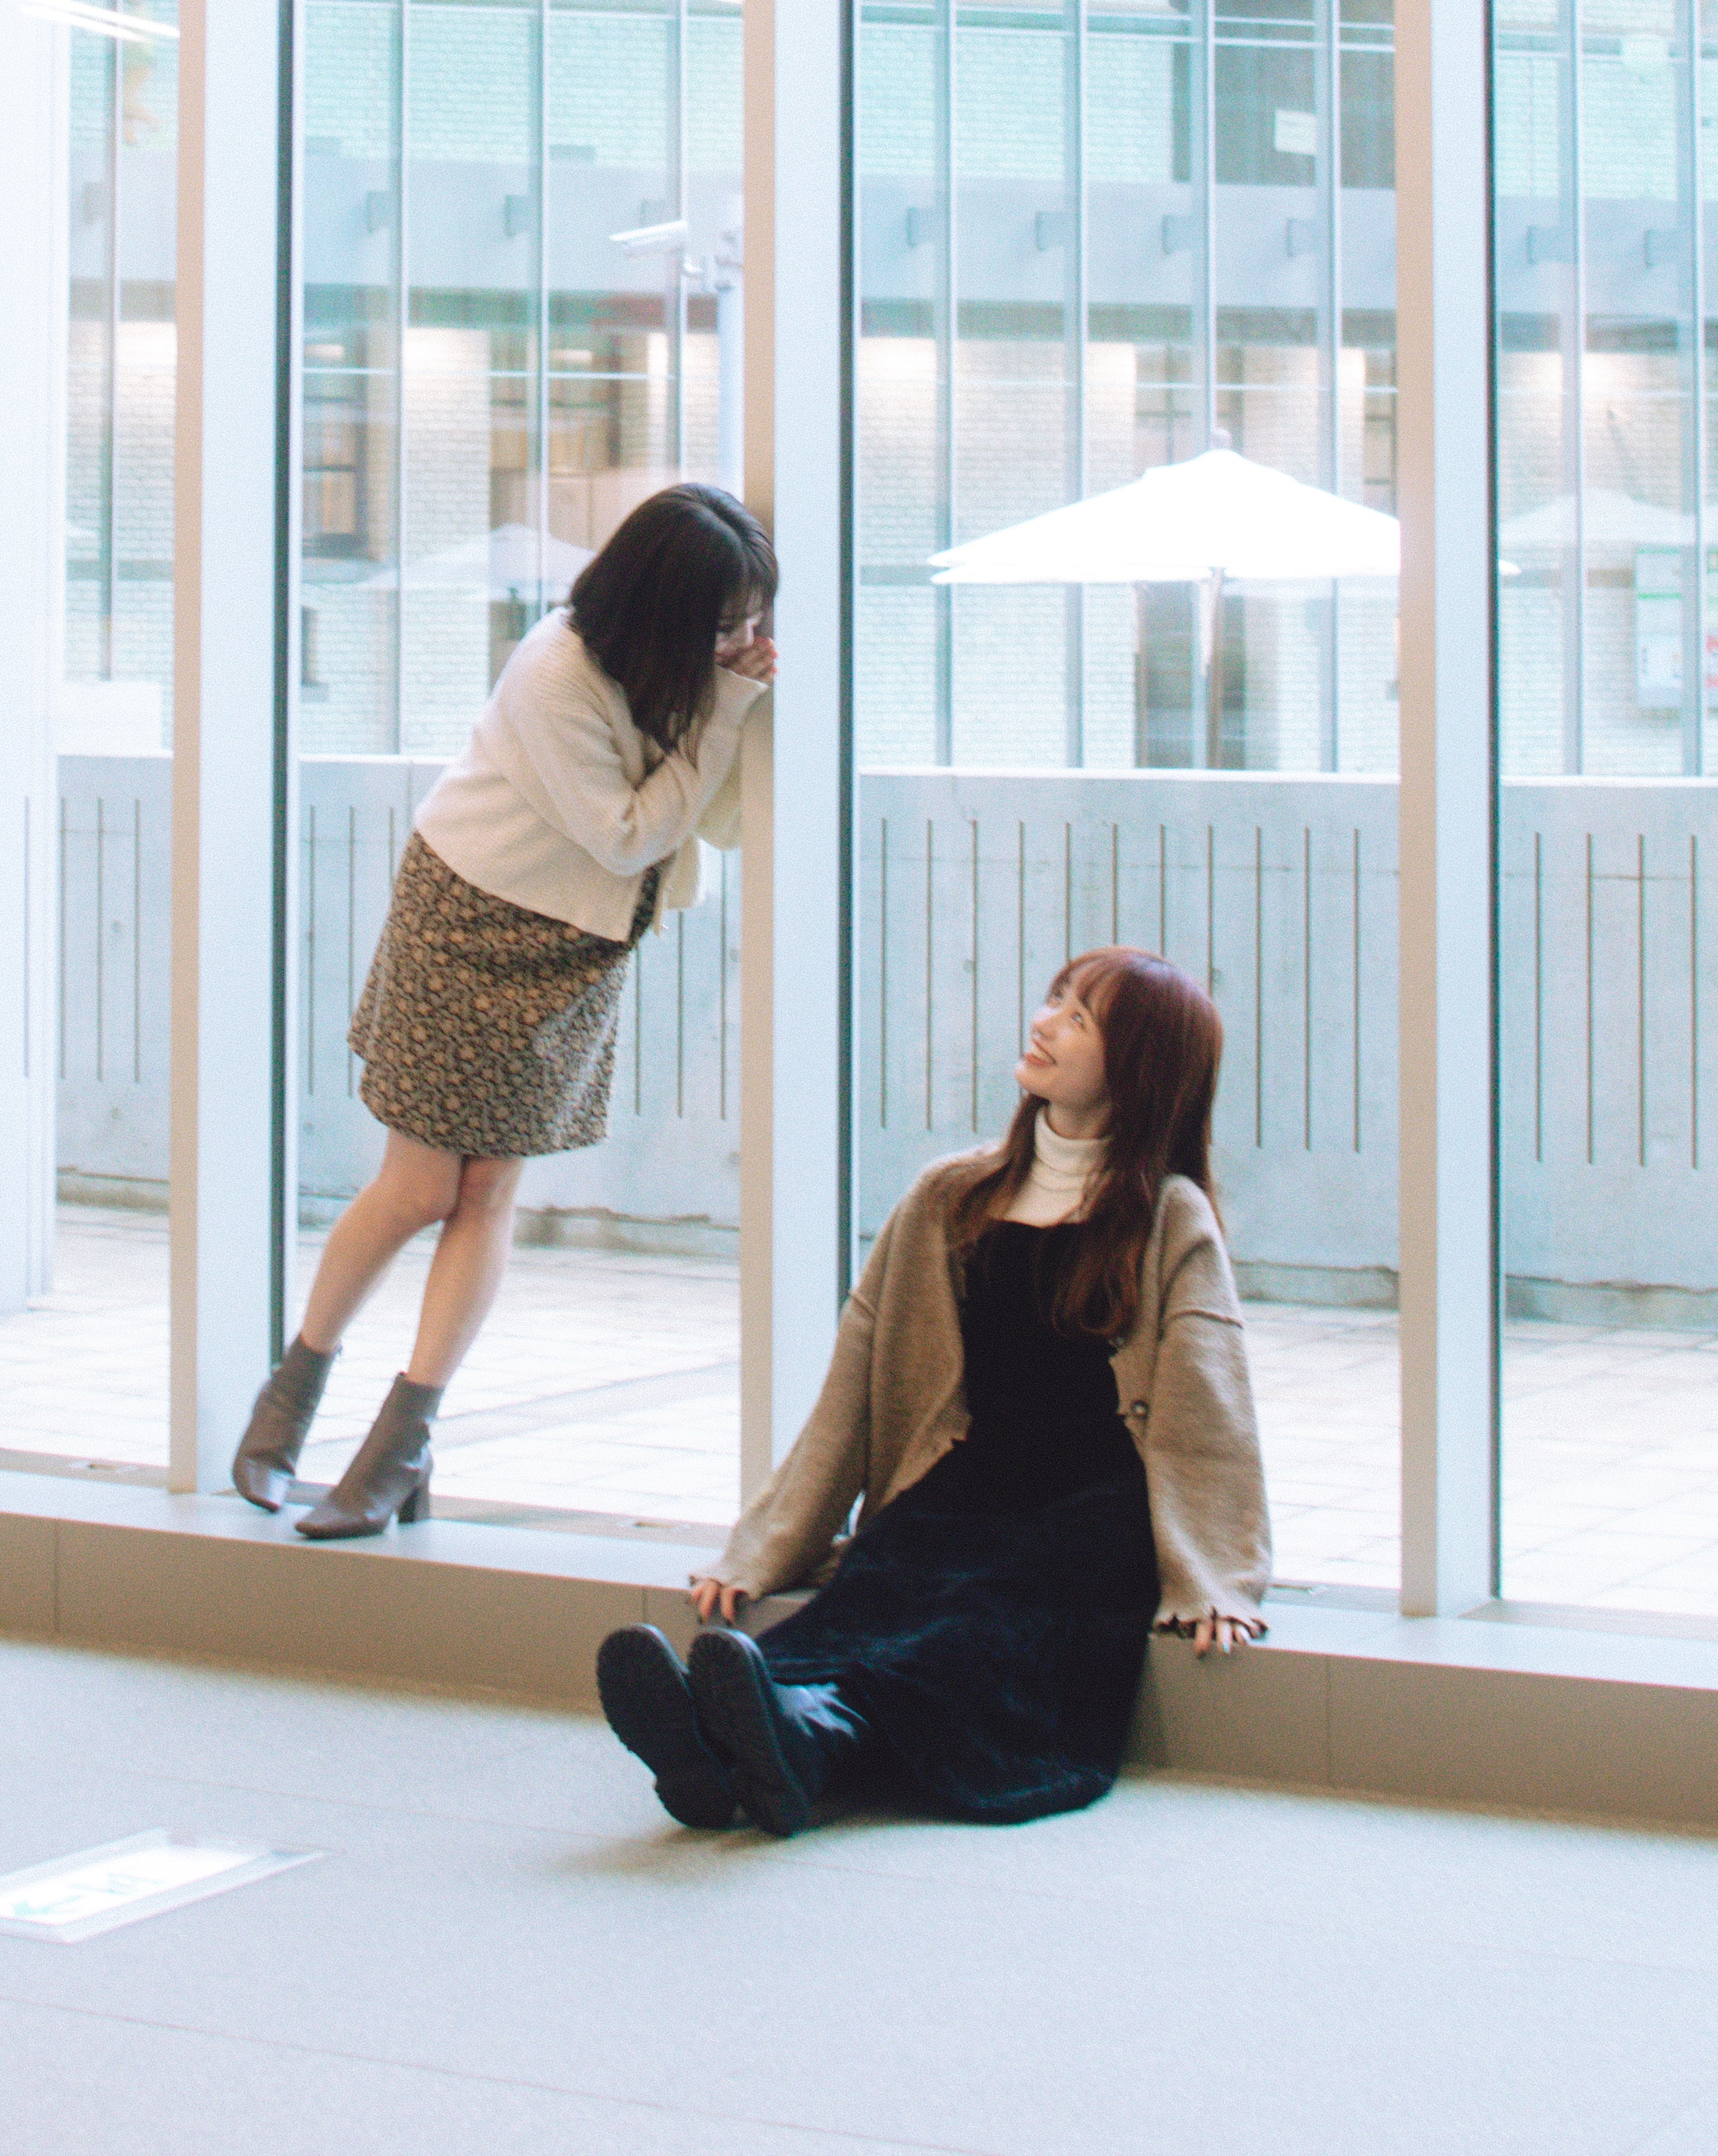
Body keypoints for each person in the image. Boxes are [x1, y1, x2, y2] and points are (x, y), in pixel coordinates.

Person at [594, 944, 1269, 1835]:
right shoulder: (948, 1196)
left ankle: (769, 1743)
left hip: (1088, 1517)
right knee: (869, 1601)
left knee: (974, 1631)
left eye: (1080, 1018)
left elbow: (1206, 1404)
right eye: (1052, 1000)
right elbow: (855, 1391)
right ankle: (727, 1743)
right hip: (954, 1488)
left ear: (1140, 1066)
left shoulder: (1165, 1215)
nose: (1044, 1023)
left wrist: (1217, 1580)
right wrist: (762, 1549)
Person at [230, 482, 779, 1542]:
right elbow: (626, 834)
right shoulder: (555, 669)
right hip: (467, 914)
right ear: (659, 605)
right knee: (414, 1187)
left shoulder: (683, 672)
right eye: (724, 623)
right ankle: (291, 1391)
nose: (745, 641)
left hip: (578, 942)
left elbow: (714, 819)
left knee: (487, 1192)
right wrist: (723, 712)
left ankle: (402, 1439)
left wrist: (730, 703)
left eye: (753, 619)